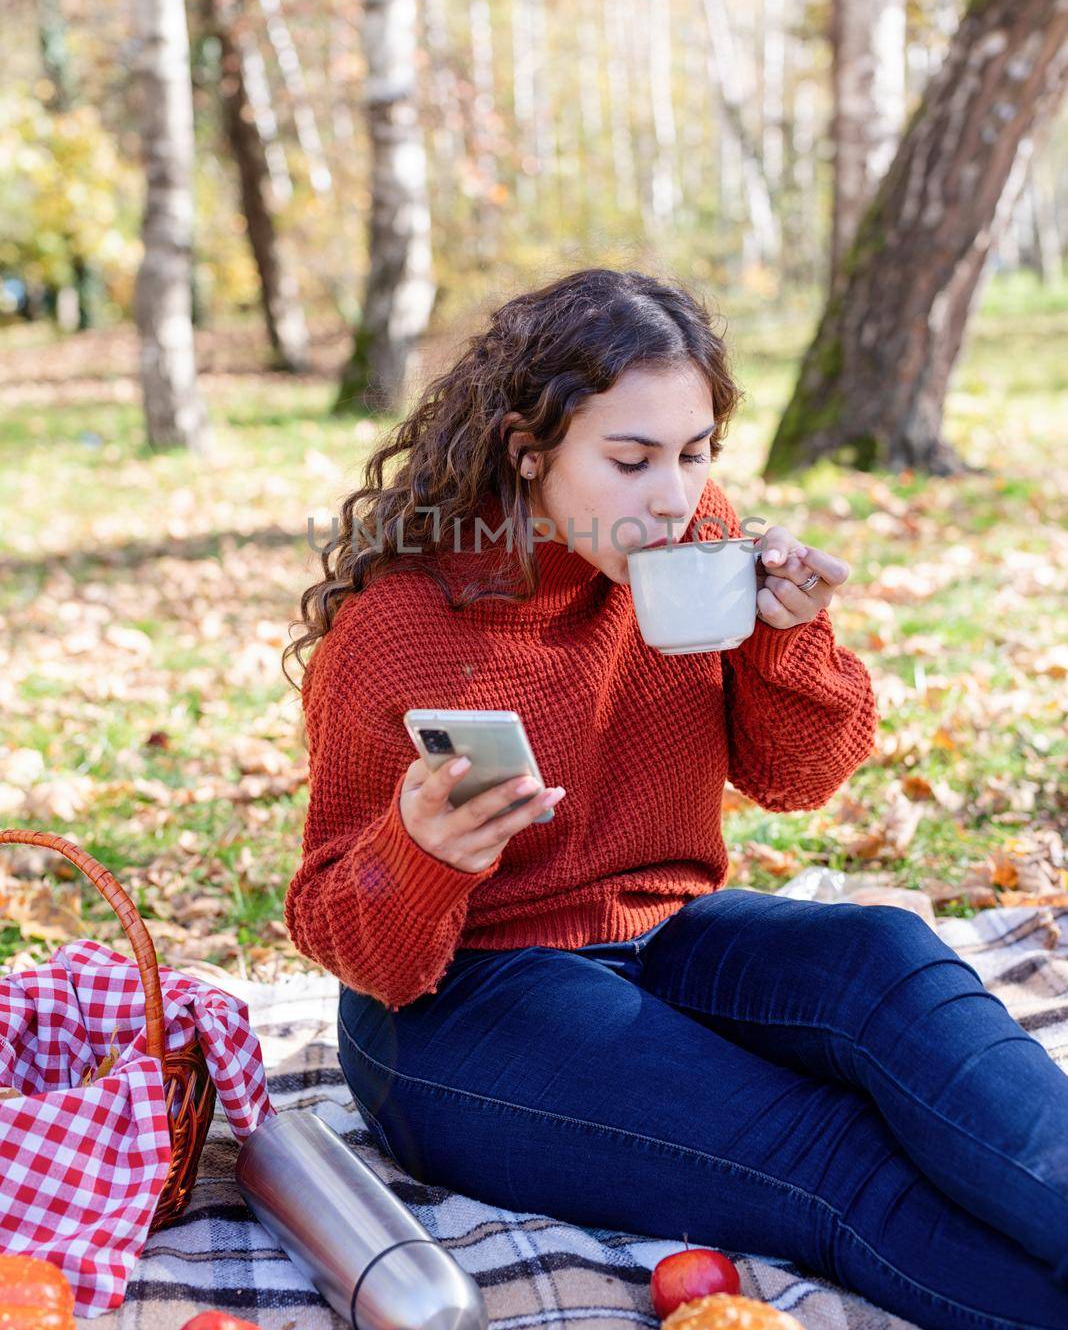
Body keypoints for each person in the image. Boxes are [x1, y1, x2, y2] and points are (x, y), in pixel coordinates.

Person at [283, 267, 1068, 1330]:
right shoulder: (400, 630)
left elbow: (801, 779)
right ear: (529, 450)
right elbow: (350, 941)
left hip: (665, 932)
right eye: (631, 457)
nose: (672, 494)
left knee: (891, 956)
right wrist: (421, 851)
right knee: (826, 1150)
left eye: (695, 454)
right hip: (460, 1008)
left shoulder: (701, 545)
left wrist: (789, 636)